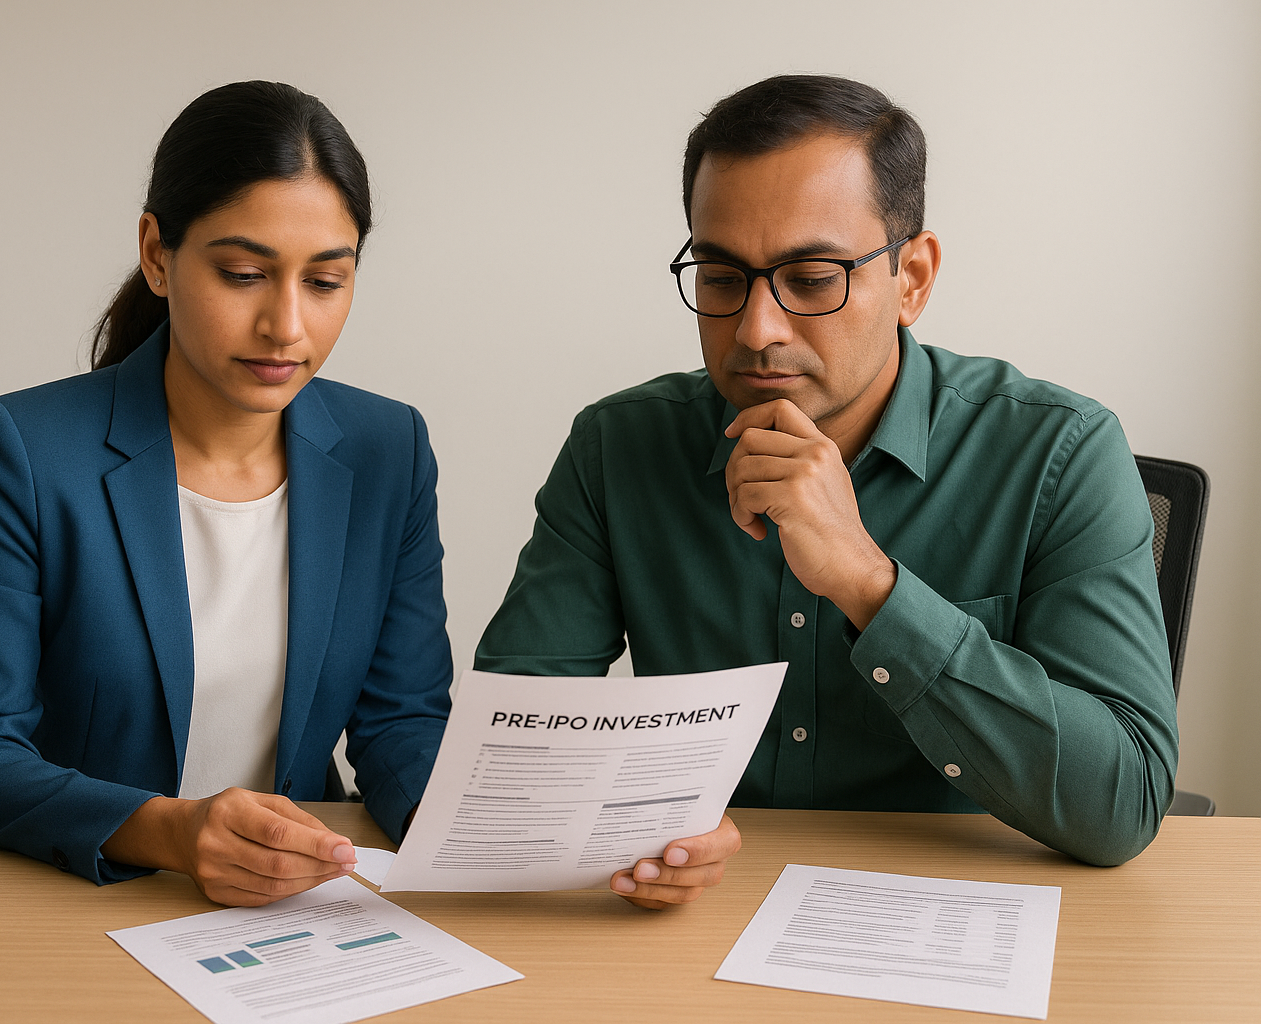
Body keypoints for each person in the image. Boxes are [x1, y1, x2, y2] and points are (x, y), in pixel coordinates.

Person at [475, 74, 1179, 904]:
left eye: (812, 279)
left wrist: (868, 585)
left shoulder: (1061, 451)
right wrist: (635, 827)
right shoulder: (616, 446)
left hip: (951, 914)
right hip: (699, 918)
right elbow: (513, 751)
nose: (756, 330)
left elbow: (1122, 805)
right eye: (720, 275)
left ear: (912, 277)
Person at [0, 81, 452, 906]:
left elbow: (402, 724)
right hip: (79, 896)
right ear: (156, 254)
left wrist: (504, 835)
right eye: (245, 273)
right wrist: (170, 831)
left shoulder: (389, 450)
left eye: (325, 282)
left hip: (298, 903)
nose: (287, 325)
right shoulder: (25, 450)